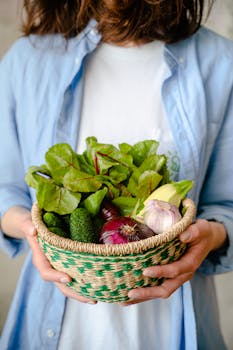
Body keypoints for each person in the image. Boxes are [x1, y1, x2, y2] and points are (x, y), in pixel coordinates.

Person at [0, 0, 232, 349]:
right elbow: (5, 190)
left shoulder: (221, 61)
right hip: (56, 330)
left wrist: (209, 236)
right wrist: (31, 231)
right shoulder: (27, 60)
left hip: (170, 327)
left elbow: (226, 205)